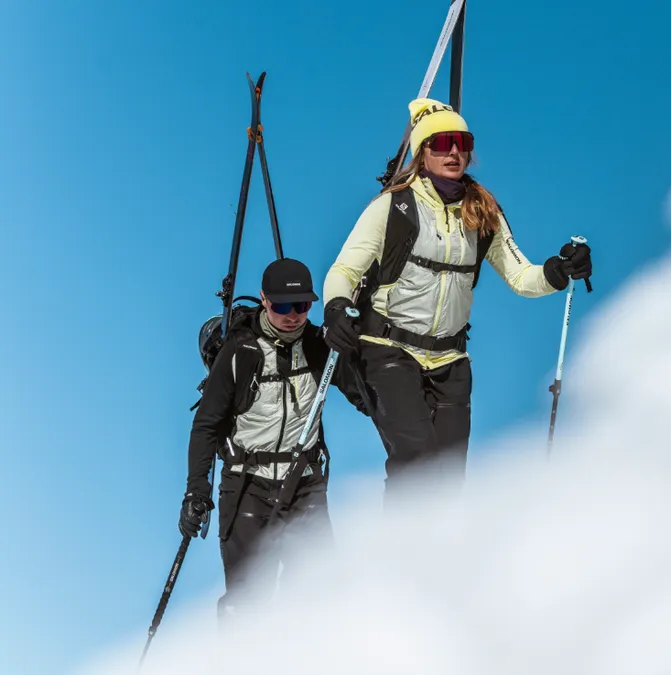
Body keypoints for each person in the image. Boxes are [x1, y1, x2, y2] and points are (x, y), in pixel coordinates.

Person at [321, 97, 592, 496]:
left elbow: (521, 276)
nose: (454, 151)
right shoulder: (393, 207)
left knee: (447, 483)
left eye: (462, 142)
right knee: (416, 460)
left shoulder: (484, 212)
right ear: (422, 151)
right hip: (388, 350)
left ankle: (436, 557)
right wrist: (336, 308)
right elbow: (344, 270)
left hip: (451, 361)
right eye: (442, 141)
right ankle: (394, 555)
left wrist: (559, 270)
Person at [179, 257, 339, 627]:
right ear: (265, 300)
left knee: (321, 592)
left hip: (305, 482)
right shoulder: (240, 351)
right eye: (283, 305)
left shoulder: (318, 346)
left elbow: (363, 394)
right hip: (248, 485)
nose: (293, 315)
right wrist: (196, 493)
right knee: (248, 601)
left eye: (302, 306)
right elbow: (206, 425)